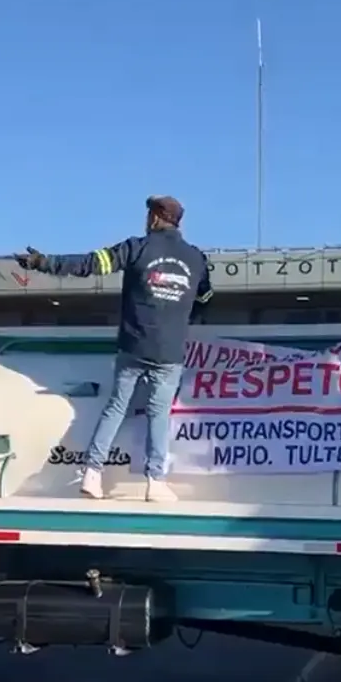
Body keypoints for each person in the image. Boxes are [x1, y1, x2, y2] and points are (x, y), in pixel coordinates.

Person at [16, 195, 213, 502]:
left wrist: (45, 263)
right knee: (158, 414)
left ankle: (93, 474)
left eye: (148, 214)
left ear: (155, 218)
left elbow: (90, 265)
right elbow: (205, 298)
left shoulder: (137, 247)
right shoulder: (196, 258)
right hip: (170, 351)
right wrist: (181, 320)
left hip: (134, 344)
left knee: (116, 407)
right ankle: (156, 482)